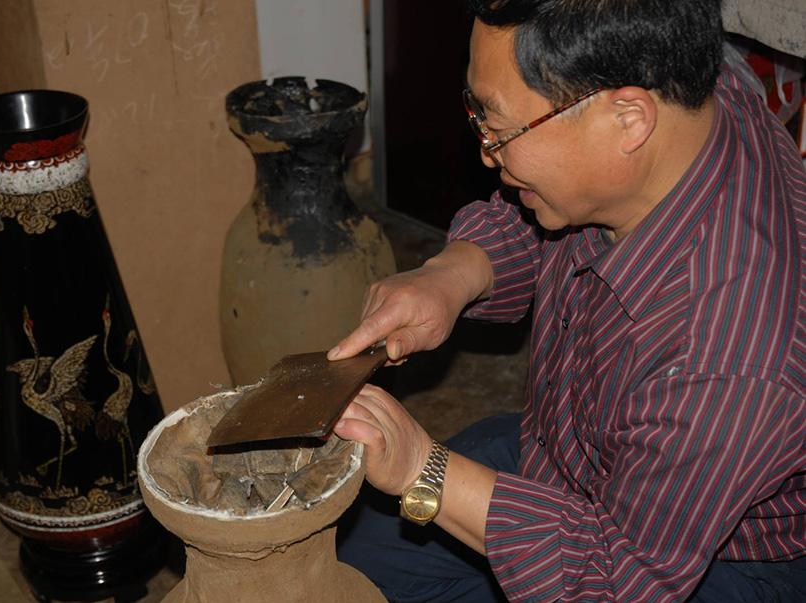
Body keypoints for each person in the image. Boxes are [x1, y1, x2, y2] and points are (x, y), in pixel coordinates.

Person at [328, 1, 806, 601]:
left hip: (689, 555)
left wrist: (423, 471)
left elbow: (613, 574)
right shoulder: (694, 88)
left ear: (628, 119)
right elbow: (548, 204)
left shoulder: (729, 362)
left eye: (500, 129)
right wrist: (454, 274)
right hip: (572, 441)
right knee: (348, 553)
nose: (486, 152)